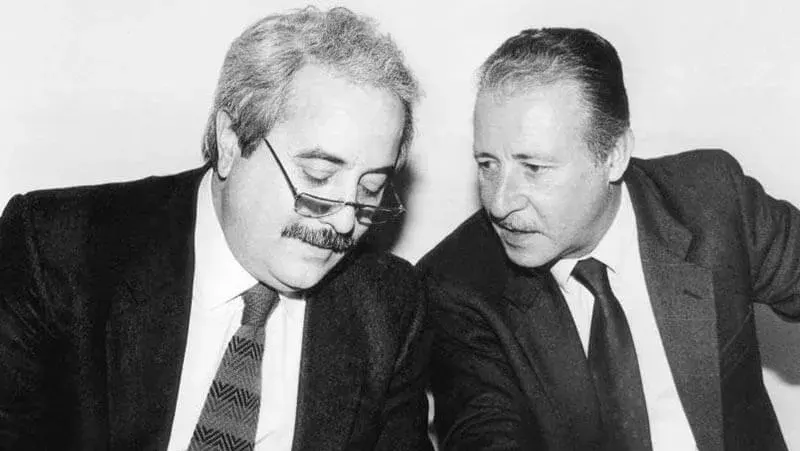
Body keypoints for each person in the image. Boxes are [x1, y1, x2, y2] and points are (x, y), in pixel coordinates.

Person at [0, 6, 433, 451]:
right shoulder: (56, 251)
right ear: (230, 141)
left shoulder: (388, 309)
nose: (345, 220)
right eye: (318, 176)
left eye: (372, 187)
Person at [418, 27, 800, 450]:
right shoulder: (456, 284)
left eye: (534, 168)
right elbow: (485, 432)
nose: (499, 202)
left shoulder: (711, 201)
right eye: (488, 164)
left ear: (614, 156)